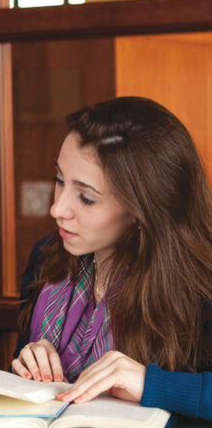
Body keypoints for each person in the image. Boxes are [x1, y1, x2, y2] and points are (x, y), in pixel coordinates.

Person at [11, 96, 212, 422]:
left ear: (141, 208)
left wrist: (151, 383)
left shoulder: (201, 283)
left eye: (86, 198)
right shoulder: (46, 258)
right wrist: (28, 363)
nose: (57, 209)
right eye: (60, 180)